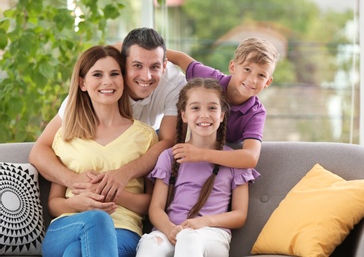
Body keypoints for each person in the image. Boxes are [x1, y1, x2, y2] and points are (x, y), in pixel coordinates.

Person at [29, 27, 186, 202]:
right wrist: (74, 181)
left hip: (143, 143)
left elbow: (168, 142)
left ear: (164, 66)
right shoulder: (100, 87)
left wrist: (124, 174)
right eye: (137, 65)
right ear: (123, 64)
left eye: (154, 66)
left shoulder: (174, 83)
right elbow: (39, 151)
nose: (146, 76)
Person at [41, 45, 158, 256]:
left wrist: (112, 193)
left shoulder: (145, 136)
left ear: (123, 80)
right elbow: (54, 204)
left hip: (123, 231)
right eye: (97, 74)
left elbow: (149, 205)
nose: (107, 81)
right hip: (68, 225)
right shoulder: (66, 134)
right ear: (82, 83)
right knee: (96, 219)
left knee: (75, 252)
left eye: (115, 74)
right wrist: (76, 204)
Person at [135, 78, 260, 257]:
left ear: (222, 114)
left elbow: (240, 215)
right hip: (170, 231)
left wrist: (204, 222)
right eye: (195, 108)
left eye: (212, 108)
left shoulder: (234, 160)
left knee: (189, 238)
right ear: (184, 115)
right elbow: (156, 208)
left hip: (212, 234)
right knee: (150, 243)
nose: (204, 115)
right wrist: (169, 229)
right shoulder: (170, 156)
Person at [166, 37, 279, 169]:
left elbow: (251, 158)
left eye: (261, 75)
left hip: (221, 167)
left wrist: (201, 154)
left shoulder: (256, 113)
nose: (252, 80)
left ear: (267, 82)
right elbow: (179, 58)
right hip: (192, 158)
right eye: (247, 69)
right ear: (232, 67)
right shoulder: (210, 80)